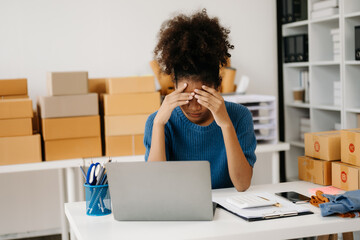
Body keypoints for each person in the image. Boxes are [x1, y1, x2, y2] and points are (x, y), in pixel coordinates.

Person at [144, 9, 256, 191]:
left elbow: (242, 184)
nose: (194, 106)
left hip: (228, 214)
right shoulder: (158, 122)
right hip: (180, 212)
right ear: (174, 86)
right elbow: (155, 187)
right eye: (187, 97)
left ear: (216, 88)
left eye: (201, 97)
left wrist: (226, 124)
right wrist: (158, 125)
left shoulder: (239, 116)